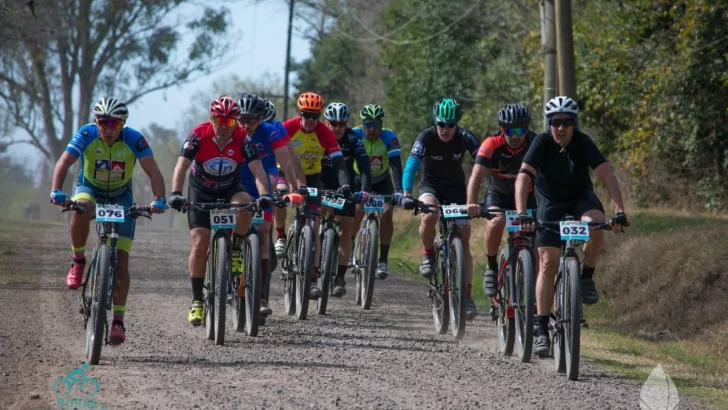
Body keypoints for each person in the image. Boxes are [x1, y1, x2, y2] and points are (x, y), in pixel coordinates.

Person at [515, 95, 629, 355]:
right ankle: (542, 328)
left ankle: (586, 278)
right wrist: (522, 211)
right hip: (550, 202)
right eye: (556, 122)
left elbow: (606, 175)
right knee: (547, 262)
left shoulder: (583, 141)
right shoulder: (542, 142)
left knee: (597, 224)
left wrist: (619, 211)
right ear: (549, 124)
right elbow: (523, 177)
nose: (561, 128)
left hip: (580, 198)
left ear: (574, 123)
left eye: (566, 122)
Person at [49, 97, 167, 345]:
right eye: (103, 122)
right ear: (96, 121)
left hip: (121, 196)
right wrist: (56, 190)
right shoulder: (86, 133)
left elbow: (153, 170)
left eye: (114, 123)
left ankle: (118, 322)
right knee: (80, 207)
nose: (108, 127)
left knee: (122, 262)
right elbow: (64, 161)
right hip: (89, 188)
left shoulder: (135, 138)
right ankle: (78, 260)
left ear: (123, 124)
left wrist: (159, 199)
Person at [168, 96, 272, 326]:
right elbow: (182, 165)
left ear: (236, 122)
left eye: (230, 122)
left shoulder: (242, 138)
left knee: (245, 203)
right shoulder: (198, 135)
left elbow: (258, 170)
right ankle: (197, 301)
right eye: (219, 121)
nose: (224, 127)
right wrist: (176, 193)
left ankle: (236, 247)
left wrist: (264, 195)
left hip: (229, 189)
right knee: (199, 242)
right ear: (211, 119)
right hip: (201, 190)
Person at [400, 98, 481, 320]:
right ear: (435, 123)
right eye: (442, 125)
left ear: (457, 124)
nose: (446, 130)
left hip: (456, 188)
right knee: (430, 214)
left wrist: (489, 196)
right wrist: (407, 194)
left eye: (451, 125)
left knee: (464, 238)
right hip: (431, 185)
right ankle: (428, 254)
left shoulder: (466, 137)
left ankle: (466, 296)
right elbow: (411, 165)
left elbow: (484, 163)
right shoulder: (426, 136)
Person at [272, 92, 351, 299]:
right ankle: (280, 235)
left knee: (314, 223)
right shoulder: (287, 127)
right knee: (279, 195)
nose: (310, 121)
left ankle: (313, 277)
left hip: (312, 177)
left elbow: (339, 162)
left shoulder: (325, 132)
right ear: (299, 114)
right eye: (306, 115)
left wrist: (345, 184)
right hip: (285, 173)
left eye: (315, 117)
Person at [236, 93, 305, 316]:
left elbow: (286, 161)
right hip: (236, 182)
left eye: (251, 120)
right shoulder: (233, 132)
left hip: (265, 179)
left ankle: (262, 296)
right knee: (231, 231)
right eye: (242, 120)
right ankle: (229, 271)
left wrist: (295, 189)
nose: (246, 125)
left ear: (261, 118)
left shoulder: (271, 132)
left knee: (263, 233)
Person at [466, 103, 538, 297]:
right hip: (498, 194)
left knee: (539, 241)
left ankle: (537, 290)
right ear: (502, 130)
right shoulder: (491, 144)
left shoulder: (535, 142)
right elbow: (476, 175)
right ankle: (491, 267)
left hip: (528, 197)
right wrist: (472, 203)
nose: (515, 136)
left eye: (520, 130)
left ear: (527, 129)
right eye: (510, 130)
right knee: (496, 222)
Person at [321, 102, 372, 296]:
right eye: (333, 123)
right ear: (326, 122)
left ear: (346, 124)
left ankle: (340, 277)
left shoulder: (354, 138)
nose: (337, 128)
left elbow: (365, 166)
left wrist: (365, 190)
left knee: (346, 229)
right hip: (322, 182)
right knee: (315, 215)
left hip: (345, 185)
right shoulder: (319, 136)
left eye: (341, 124)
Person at [351, 104, 403, 279]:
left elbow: (396, 166)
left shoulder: (389, 137)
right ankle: (350, 249)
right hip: (359, 180)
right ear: (362, 125)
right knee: (357, 211)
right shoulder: (355, 135)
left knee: (387, 212)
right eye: (369, 125)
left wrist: (398, 191)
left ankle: (383, 260)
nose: (373, 129)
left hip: (382, 181)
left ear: (382, 125)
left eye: (376, 125)